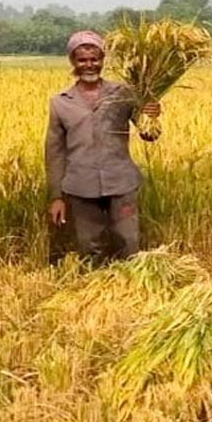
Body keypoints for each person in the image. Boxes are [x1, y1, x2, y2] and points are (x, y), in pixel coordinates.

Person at [45, 31, 161, 262]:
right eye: (82, 60)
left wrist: (152, 115)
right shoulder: (60, 102)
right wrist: (56, 197)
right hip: (81, 186)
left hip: (121, 182)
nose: (89, 65)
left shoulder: (123, 94)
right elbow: (54, 153)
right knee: (89, 248)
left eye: (94, 59)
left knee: (129, 243)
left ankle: (130, 292)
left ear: (102, 60)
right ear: (73, 62)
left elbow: (149, 135)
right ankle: (95, 292)